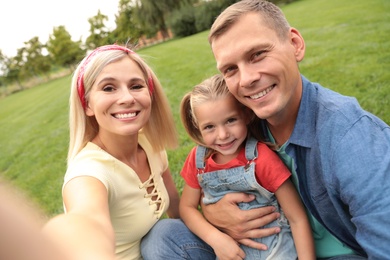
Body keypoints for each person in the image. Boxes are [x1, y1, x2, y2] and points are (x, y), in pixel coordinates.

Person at [141, 0, 390, 259]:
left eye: (257, 54)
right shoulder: (244, 121)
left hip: (336, 253)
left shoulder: (352, 138)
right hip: (250, 247)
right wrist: (212, 210)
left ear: (295, 44)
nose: (247, 79)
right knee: (163, 237)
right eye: (230, 69)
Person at [43, 44, 180, 260]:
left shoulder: (150, 145)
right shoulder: (88, 173)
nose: (127, 98)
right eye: (108, 88)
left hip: (159, 249)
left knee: (163, 233)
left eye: (136, 86)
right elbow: (88, 224)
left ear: (150, 95)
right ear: (87, 104)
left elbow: (175, 206)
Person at [179, 74, 315, 259]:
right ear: (197, 127)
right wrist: (215, 238)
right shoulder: (198, 160)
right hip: (228, 252)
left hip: (274, 251)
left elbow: (297, 217)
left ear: (246, 115)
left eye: (230, 120)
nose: (223, 135)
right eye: (209, 127)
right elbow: (187, 207)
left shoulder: (261, 158)